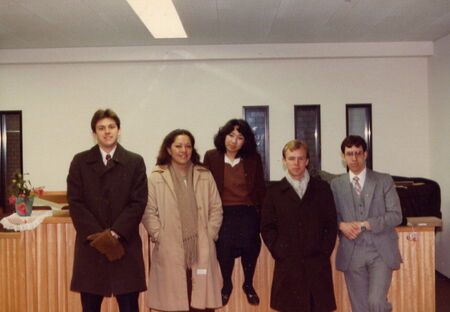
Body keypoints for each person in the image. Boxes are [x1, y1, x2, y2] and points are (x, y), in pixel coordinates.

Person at [67, 109, 148, 312]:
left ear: (119, 130)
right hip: (91, 246)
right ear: (94, 133)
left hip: (124, 246)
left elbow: (138, 202)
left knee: (129, 306)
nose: (107, 132)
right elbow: (76, 202)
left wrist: (115, 233)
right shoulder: (80, 161)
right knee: (90, 307)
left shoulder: (134, 161)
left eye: (111, 127)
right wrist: (100, 237)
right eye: (101, 128)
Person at [142, 129, 223, 312]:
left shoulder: (204, 174)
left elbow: (216, 208)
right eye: (178, 146)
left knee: (201, 303)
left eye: (188, 146)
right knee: (174, 303)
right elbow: (148, 211)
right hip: (170, 248)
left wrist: (209, 234)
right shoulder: (157, 176)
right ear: (169, 149)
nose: (183, 150)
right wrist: (159, 235)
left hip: (200, 247)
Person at [261, 140, 337, 312]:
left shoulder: (322, 188)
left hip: (316, 264)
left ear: (307, 161)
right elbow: (267, 227)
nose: (296, 163)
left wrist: (324, 252)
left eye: (300, 158)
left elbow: (331, 224)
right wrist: (279, 251)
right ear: (284, 161)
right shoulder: (274, 191)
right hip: (288, 264)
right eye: (291, 158)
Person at [330, 135, 402, 312]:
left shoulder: (383, 180)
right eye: (349, 154)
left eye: (358, 153)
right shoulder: (335, 185)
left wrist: (366, 224)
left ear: (365, 154)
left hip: (380, 251)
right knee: (359, 307)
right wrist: (341, 226)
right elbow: (330, 217)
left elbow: (396, 216)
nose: (354, 158)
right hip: (352, 251)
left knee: (376, 302)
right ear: (343, 156)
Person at [203, 119, 266, 306]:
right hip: (222, 211)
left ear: (245, 141)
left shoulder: (253, 159)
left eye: (239, 137)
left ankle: (248, 284)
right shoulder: (211, 156)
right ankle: (227, 285)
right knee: (223, 248)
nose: (234, 141)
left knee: (251, 245)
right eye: (231, 135)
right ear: (224, 136)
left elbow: (260, 189)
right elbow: (205, 187)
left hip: (247, 210)